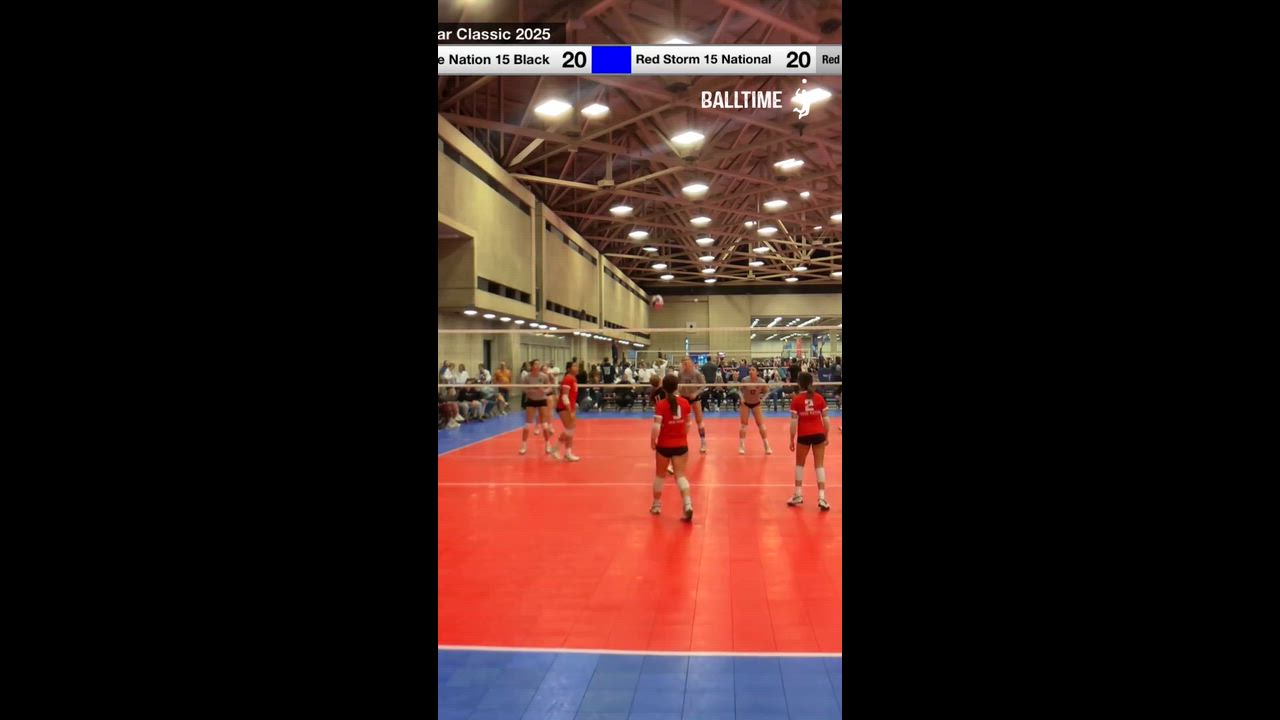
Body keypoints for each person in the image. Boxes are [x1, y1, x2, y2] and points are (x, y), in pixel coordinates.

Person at [650, 374, 694, 521]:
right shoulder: (685, 403)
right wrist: (682, 436)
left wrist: (653, 440)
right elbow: (688, 424)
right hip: (681, 445)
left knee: (660, 476)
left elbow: (656, 426)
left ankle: (656, 505)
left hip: (664, 445)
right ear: (677, 387)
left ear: (664, 388)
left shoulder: (661, 404)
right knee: (680, 476)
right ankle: (687, 504)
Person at [788, 372, 831, 511]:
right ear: (811, 383)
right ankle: (822, 497)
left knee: (799, 465)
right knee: (819, 465)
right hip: (819, 434)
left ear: (799, 384)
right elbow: (826, 420)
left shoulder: (796, 400)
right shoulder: (819, 398)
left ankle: (798, 494)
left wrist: (791, 439)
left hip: (804, 435)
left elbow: (793, 423)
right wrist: (826, 435)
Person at [519, 360, 554, 455]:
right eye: (536, 364)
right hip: (531, 400)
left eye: (539, 364)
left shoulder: (544, 376)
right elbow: (523, 388)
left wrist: (544, 391)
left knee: (544, 424)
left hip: (542, 400)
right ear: (532, 366)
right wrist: (529, 391)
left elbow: (550, 387)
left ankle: (548, 444)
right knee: (527, 424)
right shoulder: (527, 377)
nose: (538, 365)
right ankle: (523, 445)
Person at [737, 365, 773, 455]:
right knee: (743, 426)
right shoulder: (745, 380)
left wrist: (763, 399)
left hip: (756, 404)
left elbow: (767, 391)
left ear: (757, 372)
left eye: (753, 370)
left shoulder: (761, 381)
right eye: (749, 370)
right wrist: (741, 398)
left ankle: (767, 446)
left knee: (761, 425)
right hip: (745, 404)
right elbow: (739, 390)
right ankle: (741, 446)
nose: (750, 371)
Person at [677, 356, 709, 453]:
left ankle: (703, 442)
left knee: (699, 421)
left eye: (687, 363)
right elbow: (678, 385)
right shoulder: (680, 373)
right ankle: (682, 442)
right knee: (684, 421)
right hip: (684, 398)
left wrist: (696, 393)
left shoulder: (697, 373)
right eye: (684, 363)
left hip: (695, 399)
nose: (685, 365)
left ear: (691, 363)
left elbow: (703, 385)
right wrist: (678, 391)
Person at [552, 360, 581, 461]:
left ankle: (568, 453)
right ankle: (555, 449)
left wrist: (574, 405)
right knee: (569, 429)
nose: (577, 368)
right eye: (574, 366)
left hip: (570, 407)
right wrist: (570, 411)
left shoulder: (573, 379)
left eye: (577, 366)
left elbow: (572, 395)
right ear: (569, 369)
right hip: (564, 408)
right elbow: (565, 396)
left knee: (571, 430)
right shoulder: (568, 379)